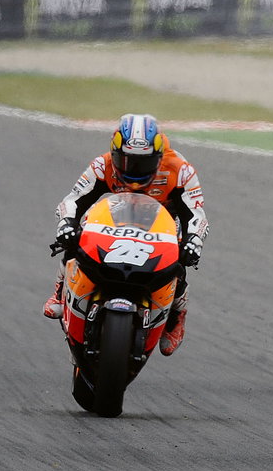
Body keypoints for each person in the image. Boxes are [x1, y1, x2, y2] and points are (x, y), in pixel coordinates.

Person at [44, 113, 207, 356]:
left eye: (143, 162)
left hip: (162, 225)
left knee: (181, 258)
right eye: (126, 160)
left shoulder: (180, 169)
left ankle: (176, 316)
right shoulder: (102, 165)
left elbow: (196, 213)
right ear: (114, 152)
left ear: (159, 156)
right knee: (76, 234)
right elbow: (73, 200)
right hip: (116, 217)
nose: (134, 170)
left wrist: (194, 240)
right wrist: (66, 224)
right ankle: (59, 292)